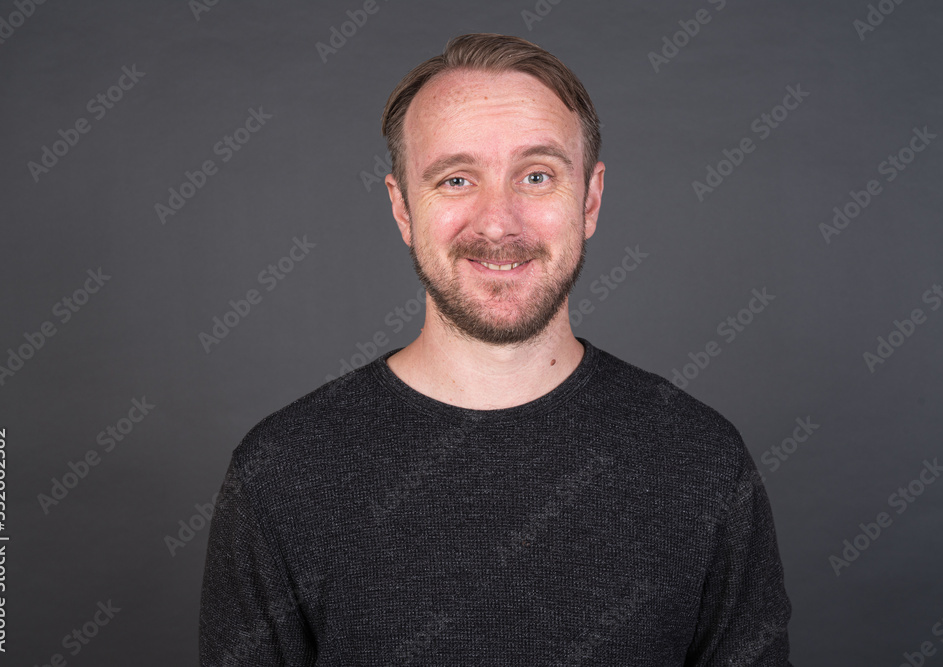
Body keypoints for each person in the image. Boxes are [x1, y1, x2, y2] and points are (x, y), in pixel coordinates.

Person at [200, 33, 793, 666]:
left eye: (536, 176)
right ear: (403, 208)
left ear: (589, 199)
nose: (497, 223)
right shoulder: (283, 473)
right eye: (456, 179)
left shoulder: (700, 461)